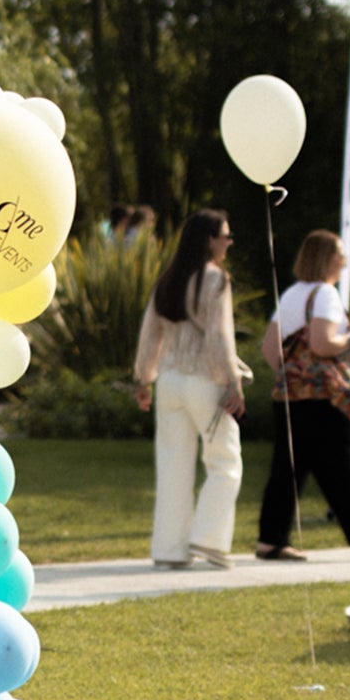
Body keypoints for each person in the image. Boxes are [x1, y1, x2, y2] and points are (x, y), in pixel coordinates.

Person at [254, 228, 350, 561]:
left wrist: (294, 374)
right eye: (341, 254)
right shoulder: (326, 294)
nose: (345, 261)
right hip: (325, 397)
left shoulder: (292, 293)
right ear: (328, 259)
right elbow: (323, 344)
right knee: (338, 467)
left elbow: (270, 349)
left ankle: (271, 538)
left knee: (288, 467)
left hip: (289, 395)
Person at [132, 208, 245, 569]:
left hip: (169, 382)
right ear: (208, 239)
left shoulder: (167, 279)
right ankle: (208, 540)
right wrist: (234, 382)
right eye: (224, 235)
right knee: (225, 461)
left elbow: (150, 334)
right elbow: (219, 337)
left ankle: (170, 549)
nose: (228, 241)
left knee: (172, 466)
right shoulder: (216, 280)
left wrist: (143, 378)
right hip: (204, 380)